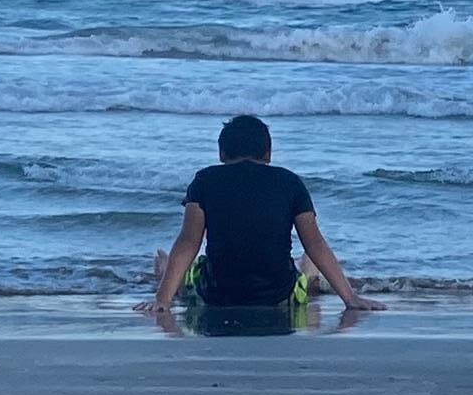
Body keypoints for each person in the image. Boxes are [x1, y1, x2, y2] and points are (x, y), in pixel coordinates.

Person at [153, 115, 379, 334]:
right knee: (309, 265)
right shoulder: (290, 182)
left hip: (217, 295)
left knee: (181, 272)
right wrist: (350, 298)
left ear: (222, 154)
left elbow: (189, 242)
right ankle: (307, 272)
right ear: (268, 154)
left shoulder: (204, 180)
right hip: (279, 297)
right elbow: (315, 244)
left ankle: (166, 274)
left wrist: (162, 299)